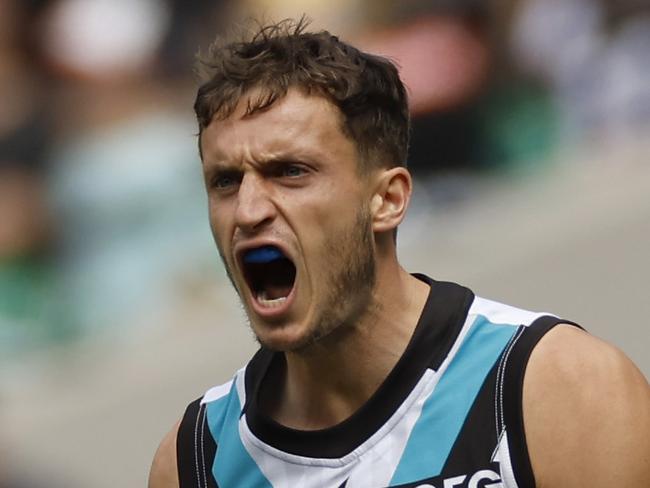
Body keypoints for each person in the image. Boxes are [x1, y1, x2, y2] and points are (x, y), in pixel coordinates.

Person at [149, 19, 650, 488]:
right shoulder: (195, 460)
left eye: (291, 171)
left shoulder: (557, 388)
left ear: (387, 200)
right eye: (225, 181)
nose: (249, 209)